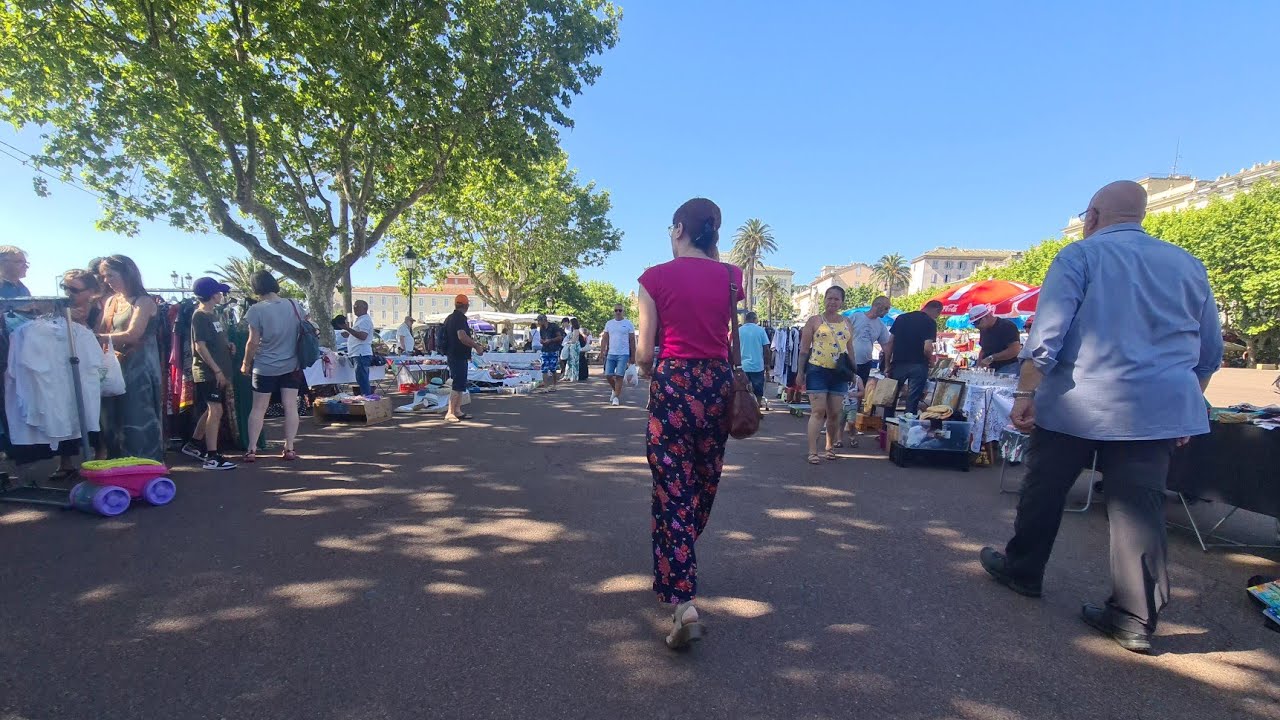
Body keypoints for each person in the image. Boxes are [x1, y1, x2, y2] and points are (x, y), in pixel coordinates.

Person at [980, 180, 1222, 654]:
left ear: (1092, 216)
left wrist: (1027, 391)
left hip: (1080, 398)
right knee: (1140, 508)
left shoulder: (1079, 256)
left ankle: (1024, 569)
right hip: (1155, 407)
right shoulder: (1188, 265)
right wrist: (1187, 404)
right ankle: (1134, 617)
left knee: (1045, 487)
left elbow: (1046, 334)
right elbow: (1208, 351)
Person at [636, 197, 742, 650]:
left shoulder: (653, 277)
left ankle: (682, 598)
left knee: (671, 487)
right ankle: (682, 554)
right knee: (702, 480)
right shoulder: (732, 276)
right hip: (717, 386)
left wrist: (648, 370)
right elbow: (726, 330)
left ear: (679, 228)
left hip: (674, 383)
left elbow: (643, 354)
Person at [95, 255, 164, 461]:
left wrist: (96, 338)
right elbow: (101, 329)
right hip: (116, 366)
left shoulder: (144, 301)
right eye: (104, 276)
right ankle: (119, 464)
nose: (107, 280)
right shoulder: (111, 302)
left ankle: (147, 464)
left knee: (139, 413)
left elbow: (134, 334)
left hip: (140, 368)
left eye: (110, 275)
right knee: (112, 417)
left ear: (127, 274)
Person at [240, 270, 303, 462]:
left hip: (265, 365)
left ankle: (252, 449)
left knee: (258, 408)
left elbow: (252, 341)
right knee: (291, 406)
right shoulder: (295, 305)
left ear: (256, 287)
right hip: (292, 364)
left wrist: (245, 363)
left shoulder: (256, 310)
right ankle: (289, 447)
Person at [182, 277, 237, 470]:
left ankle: (195, 443)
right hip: (209, 373)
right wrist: (217, 370)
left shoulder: (213, 314)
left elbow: (215, 340)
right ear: (213, 295)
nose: (222, 295)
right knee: (216, 410)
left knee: (212, 409)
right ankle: (212, 456)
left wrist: (228, 346)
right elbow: (200, 346)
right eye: (219, 292)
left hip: (218, 370)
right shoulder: (200, 315)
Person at [798, 286, 855, 464]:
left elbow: (850, 348)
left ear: (842, 302)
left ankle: (829, 447)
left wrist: (854, 372)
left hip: (839, 372)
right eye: (829, 298)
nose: (832, 302)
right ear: (825, 300)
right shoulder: (814, 321)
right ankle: (813, 451)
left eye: (836, 299)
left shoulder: (847, 322)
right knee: (818, 411)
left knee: (835, 413)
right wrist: (800, 372)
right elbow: (804, 349)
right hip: (817, 370)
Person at [884, 300, 942, 417]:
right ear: (936, 310)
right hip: (918, 365)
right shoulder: (930, 322)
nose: (936, 317)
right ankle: (908, 431)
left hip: (898, 363)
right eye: (938, 314)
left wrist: (887, 364)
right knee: (912, 400)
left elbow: (890, 342)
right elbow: (927, 347)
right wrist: (931, 361)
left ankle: (885, 431)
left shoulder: (901, 318)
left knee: (890, 398)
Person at [441, 294, 486, 422]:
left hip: (453, 354)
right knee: (458, 383)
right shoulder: (460, 318)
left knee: (460, 383)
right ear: (466, 306)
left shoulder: (449, 318)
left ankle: (457, 410)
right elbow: (462, 336)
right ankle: (450, 412)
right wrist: (476, 346)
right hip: (457, 355)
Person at [851, 296, 894, 386]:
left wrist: (887, 365)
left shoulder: (881, 326)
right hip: (849, 360)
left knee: (860, 389)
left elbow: (886, 347)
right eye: (886, 308)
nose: (887, 311)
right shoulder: (856, 316)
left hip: (865, 363)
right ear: (877, 305)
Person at [969, 304, 1022, 376]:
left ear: (987, 316)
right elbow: (984, 349)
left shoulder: (1007, 326)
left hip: (1008, 367)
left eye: (977, 322)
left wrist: (991, 358)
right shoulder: (984, 329)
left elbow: (1015, 350)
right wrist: (979, 365)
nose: (976, 326)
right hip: (991, 369)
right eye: (973, 323)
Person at [601, 303, 636, 405]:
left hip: (623, 353)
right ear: (613, 311)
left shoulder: (628, 324)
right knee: (608, 374)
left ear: (623, 311)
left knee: (619, 376)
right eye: (616, 310)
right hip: (611, 353)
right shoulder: (609, 323)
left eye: (620, 310)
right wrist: (602, 351)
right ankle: (615, 390)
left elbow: (632, 341)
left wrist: (633, 356)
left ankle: (616, 397)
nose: (618, 312)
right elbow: (605, 338)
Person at [337, 300, 375, 395]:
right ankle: (366, 398)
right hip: (356, 353)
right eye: (354, 306)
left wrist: (347, 328)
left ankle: (367, 399)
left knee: (362, 379)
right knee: (361, 378)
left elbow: (363, 336)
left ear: (365, 308)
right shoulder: (359, 320)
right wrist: (349, 332)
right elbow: (357, 334)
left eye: (357, 306)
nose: (355, 308)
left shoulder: (365, 320)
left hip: (361, 353)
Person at [738, 311, 771, 412]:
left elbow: (732, 347)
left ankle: (744, 410)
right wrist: (767, 364)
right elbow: (766, 349)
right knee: (758, 390)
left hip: (743, 366)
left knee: (743, 389)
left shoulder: (739, 330)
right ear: (754, 319)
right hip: (757, 365)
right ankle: (757, 409)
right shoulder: (760, 330)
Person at [536, 314, 565, 392]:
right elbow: (542, 338)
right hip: (545, 349)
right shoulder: (541, 329)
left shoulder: (554, 326)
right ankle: (546, 387)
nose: (538, 323)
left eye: (539, 321)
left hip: (553, 349)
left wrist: (550, 340)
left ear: (543, 320)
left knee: (553, 368)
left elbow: (559, 337)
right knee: (544, 368)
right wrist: (542, 341)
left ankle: (554, 385)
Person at [565, 317, 583, 383]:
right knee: (571, 362)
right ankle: (570, 376)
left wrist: (568, 342)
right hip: (573, 346)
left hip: (574, 346)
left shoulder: (576, 330)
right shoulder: (574, 330)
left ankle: (574, 376)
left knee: (574, 362)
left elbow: (574, 340)